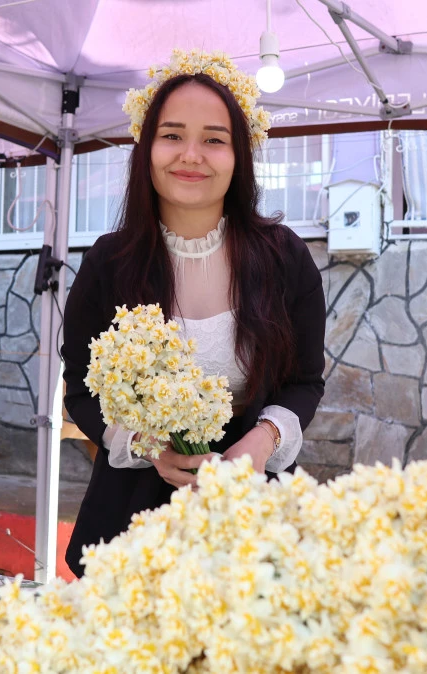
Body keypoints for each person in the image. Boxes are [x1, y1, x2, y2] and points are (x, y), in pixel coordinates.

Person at [61, 50, 326, 578]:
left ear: (239, 155)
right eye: (172, 135)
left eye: (214, 139)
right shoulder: (108, 264)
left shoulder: (284, 258)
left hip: (252, 515)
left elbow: (304, 381)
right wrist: (147, 446)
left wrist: (262, 441)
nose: (191, 155)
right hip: (133, 523)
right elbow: (81, 392)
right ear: (147, 148)